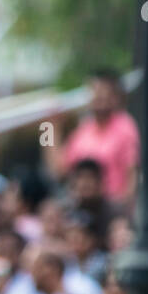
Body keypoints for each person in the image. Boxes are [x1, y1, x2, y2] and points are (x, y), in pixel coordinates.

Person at [45, 69, 140, 205]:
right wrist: (48, 127)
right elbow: (57, 170)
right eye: (94, 90)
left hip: (112, 211)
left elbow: (132, 175)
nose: (97, 95)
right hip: (83, 211)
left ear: (114, 96)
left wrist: (124, 212)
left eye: (102, 90)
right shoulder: (83, 130)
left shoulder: (126, 126)